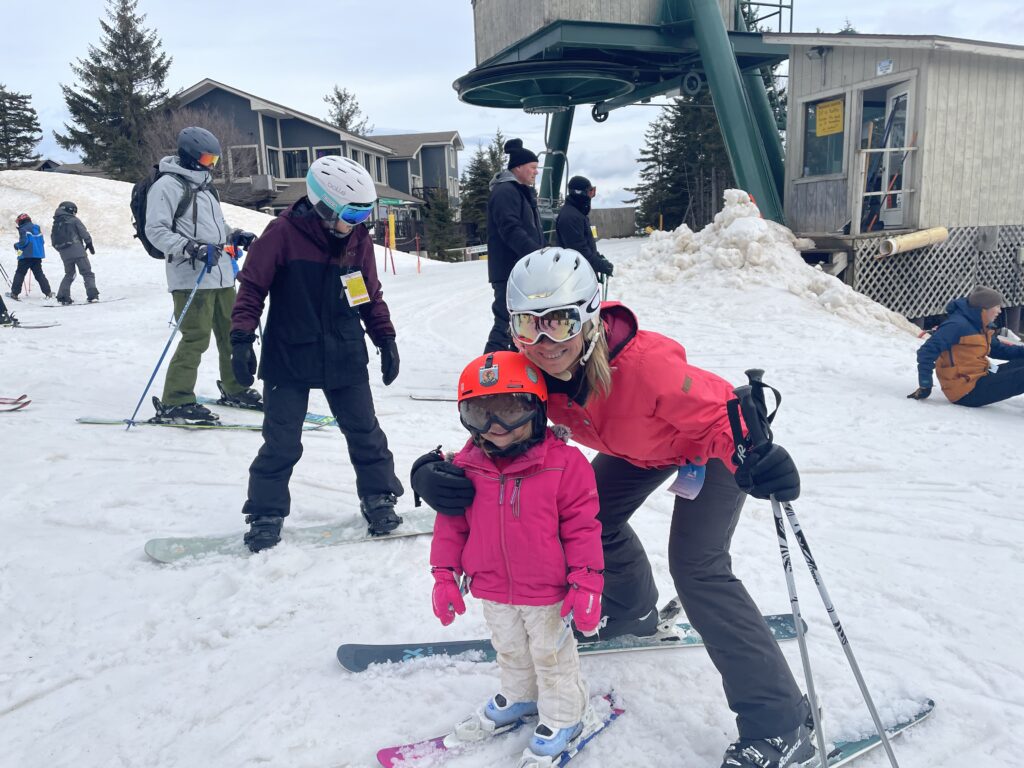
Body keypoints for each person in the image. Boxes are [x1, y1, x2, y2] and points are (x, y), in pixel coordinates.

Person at [412, 247, 812, 768]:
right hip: (640, 451)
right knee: (584, 519)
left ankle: (782, 723)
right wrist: (432, 467)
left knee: (699, 569)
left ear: (588, 315)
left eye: (558, 322)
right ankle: (631, 612)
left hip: (709, 449)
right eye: (527, 326)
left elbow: (716, 421)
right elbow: (493, 416)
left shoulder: (645, 368)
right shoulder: (531, 368)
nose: (543, 342)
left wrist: (751, 457)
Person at [423, 350, 605, 764]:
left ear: (537, 409)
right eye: (480, 414)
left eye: (510, 411)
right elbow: (451, 526)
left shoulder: (565, 465)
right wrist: (444, 576)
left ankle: (565, 715)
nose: (496, 428)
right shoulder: (466, 466)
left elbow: (584, 528)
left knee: (552, 655)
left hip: (548, 593)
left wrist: (587, 581)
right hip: (491, 587)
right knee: (509, 648)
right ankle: (521, 696)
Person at [231, 155, 404, 552]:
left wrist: (385, 339)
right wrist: (241, 339)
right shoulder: (281, 234)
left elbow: (368, 295)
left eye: (366, 214)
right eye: (352, 213)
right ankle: (265, 512)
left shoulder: (357, 240)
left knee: (365, 432)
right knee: (281, 441)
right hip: (290, 353)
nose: (359, 223)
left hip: (344, 350)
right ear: (324, 204)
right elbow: (251, 290)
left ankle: (378, 496)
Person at [144, 126, 260, 422]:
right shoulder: (167, 186)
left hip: (220, 274)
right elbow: (155, 231)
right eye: (208, 159)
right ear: (190, 156)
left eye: (215, 160)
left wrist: (235, 235)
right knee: (196, 338)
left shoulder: (207, 187)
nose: (212, 165)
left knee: (230, 334)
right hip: (190, 276)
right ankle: (176, 399)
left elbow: (215, 228)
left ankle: (234, 388)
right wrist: (190, 248)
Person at [908, 285, 1024, 406]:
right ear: (985, 308)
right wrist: (925, 384)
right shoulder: (956, 325)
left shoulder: (980, 326)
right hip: (966, 390)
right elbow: (926, 352)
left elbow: (999, 350)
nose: (1000, 311)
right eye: (997, 306)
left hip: (982, 375)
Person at [483, 138, 546, 353]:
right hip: (510, 269)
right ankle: (489, 367)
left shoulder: (518, 191)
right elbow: (510, 228)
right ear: (518, 167)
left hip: (521, 268)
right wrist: (536, 254)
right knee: (505, 320)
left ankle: (510, 360)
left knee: (519, 321)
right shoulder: (505, 192)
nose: (536, 172)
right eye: (533, 168)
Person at [554, 176, 614, 280]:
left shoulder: (577, 214)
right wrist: (598, 264)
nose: (591, 196)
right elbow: (578, 250)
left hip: (582, 273)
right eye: (590, 192)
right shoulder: (570, 217)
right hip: (574, 277)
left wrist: (597, 257)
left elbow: (585, 243)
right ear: (580, 193)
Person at [51, 201, 99, 305]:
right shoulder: (74, 220)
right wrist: (89, 244)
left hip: (64, 253)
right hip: (78, 251)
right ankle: (92, 295)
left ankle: (63, 296)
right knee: (87, 273)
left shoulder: (56, 222)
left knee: (69, 274)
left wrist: (62, 250)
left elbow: (53, 241)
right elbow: (84, 233)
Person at [9, 213, 54, 300]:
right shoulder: (36, 227)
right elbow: (42, 242)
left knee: (20, 273)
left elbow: (24, 242)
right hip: (37, 256)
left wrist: (16, 245)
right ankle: (48, 292)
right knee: (39, 274)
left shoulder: (23, 229)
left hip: (26, 256)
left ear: (21, 221)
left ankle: (14, 293)